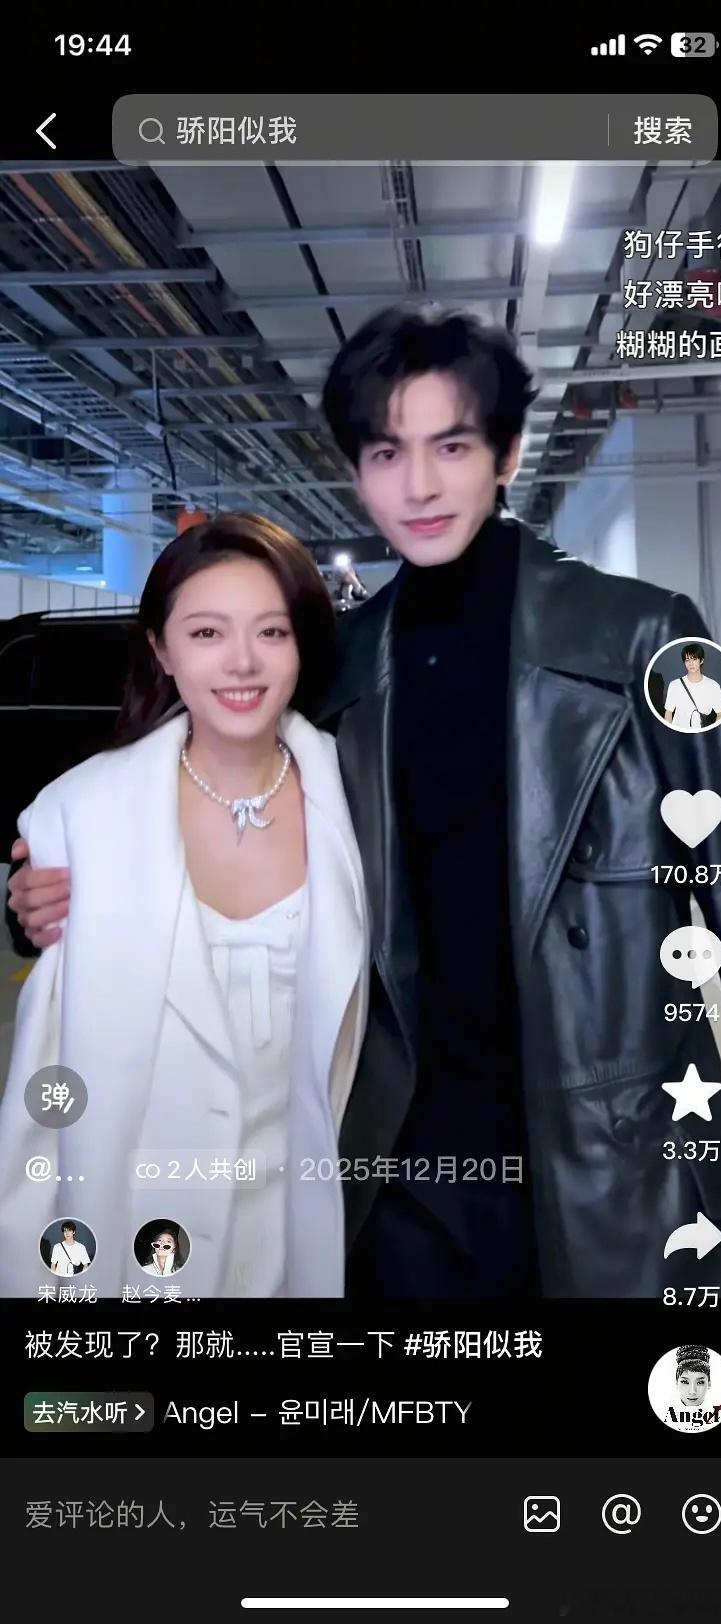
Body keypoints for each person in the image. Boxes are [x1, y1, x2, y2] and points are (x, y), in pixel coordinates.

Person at [7, 307, 721, 1300]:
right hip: (400, 1181)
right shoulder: (339, 672)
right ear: (357, 471)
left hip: (614, 1164)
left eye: (453, 445)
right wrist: (49, 896)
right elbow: (206, 819)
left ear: (507, 454)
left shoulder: (646, 639)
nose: (420, 485)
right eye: (387, 452)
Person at [0, 515, 370, 1299]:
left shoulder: (362, 803)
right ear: (162, 649)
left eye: (271, 632)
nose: (242, 661)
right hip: (132, 1234)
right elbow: (44, 1075)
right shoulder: (79, 815)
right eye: (206, 632)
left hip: (304, 1229)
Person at [664, 642, 721, 731]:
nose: (691, 663)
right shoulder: (675, 685)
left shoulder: (713, 685)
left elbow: (720, 714)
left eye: (694, 659)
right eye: (687, 660)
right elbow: (668, 713)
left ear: (701, 661)